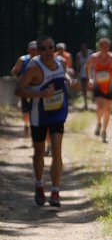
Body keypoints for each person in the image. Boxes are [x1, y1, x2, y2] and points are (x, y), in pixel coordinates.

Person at [15, 35, 73, 207]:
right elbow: (19, 90)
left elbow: (65, 76)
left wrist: (72, 82)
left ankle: (55, 192)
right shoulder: (34, 66)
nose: (47, 51)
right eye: (43, 48)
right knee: (39, 152)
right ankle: (39, 185)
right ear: (38, 50)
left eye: (50, 47)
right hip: (38, 115)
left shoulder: (61, 62)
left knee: (57, 150)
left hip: (57, 114)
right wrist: (40, 94)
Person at [85, 37, 112, 142]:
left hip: (109, 86)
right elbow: (87, 67)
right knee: (100, 107)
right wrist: (90, 79)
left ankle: (104, 130)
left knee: (107, 110)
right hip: (98, 85)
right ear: (99, 46)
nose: (104, 48)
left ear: (109, 47)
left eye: (107, 46)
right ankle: (98, 123)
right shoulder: (94, 57)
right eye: (102, 46)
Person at [11, 40, 38, 137]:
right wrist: (19, 77)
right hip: (25, 89)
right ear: (28, 49)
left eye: (35, 49)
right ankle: (27, 125)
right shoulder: (22, 60)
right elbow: (14, 71)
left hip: (37, 89)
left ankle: (35, 130)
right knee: (26, 112)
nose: (34, 51)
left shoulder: (41, 60)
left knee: (37, 110)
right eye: (32, 49)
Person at [75, 43, 93, 109]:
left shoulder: (90, 53)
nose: (83, 49)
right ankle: (86, 103)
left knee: (92, 87)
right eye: (82, 48)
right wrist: (77, 73)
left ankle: (94, 100)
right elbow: (77, 65)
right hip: (83, 74)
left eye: (84, 48)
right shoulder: (79, 55)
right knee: (84, 88)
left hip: (91, 73)